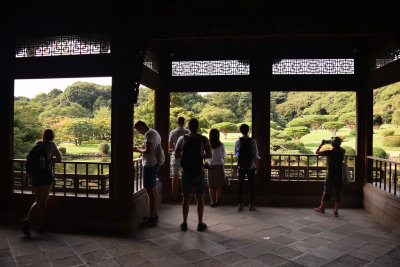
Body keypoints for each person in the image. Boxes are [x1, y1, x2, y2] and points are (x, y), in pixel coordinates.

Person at [22, 128, 62, 236]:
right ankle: (39, 225)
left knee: (37, 201)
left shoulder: (37, 143)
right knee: (43, 203)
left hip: (35, 175)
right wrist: (50, 160)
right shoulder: (52, 144)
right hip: (45, 175)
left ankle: (27, 220)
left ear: (43, 135)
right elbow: (59, 158)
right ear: (53, 136)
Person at [175, 118, 212, 232]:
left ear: (188, 126)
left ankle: (184, 223)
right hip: (199, 171)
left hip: (186, 171)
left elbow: (176, 155)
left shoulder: (182, 138)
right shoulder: (203, 139)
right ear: (198, 127)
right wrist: (201, 154)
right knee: (199, 198)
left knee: (186, 198)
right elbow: (210, 155)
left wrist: (185, 154)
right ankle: (200, 223)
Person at [133, 120, 161, 227]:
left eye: (138, 130)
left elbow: (148, 151)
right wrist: (141, 148)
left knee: (150, 192)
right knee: (153, 189)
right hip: (155, 163)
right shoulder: (154, 132)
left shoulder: (149, 134)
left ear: (141, 127)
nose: (139, 132)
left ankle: (152, 217)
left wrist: (137, 150)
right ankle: (154, 214)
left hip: (149, 164)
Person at [314, 136, 345, 217]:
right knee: (338, 192)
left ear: (332, 143)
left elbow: (316, 153)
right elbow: (339, 148)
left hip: (331, 174)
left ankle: (322, 208)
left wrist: (321, 145)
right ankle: (336, 210)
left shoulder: (329, 152)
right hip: (339, 174)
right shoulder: (342, 151)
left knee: (327, 191)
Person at [235, 123, 260, 211]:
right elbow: (255, 155)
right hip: (251, 166)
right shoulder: (252, 141)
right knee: (251, 185)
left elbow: (236, 154)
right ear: (248, 131)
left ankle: (240, 204)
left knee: (240, 185)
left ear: (240, 131)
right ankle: (251, 204)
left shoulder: (238, 141)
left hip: (241, 165)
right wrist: (257, 166)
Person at [168, 116, 189, 205]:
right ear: (184, 123)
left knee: (175, 177)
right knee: (186, 176)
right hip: (186, 156)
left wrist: (176, 147)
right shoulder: (187, 132)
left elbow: (170, 146)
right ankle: (186, 197)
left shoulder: (173, 132)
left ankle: (174, 198)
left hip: (175, 155)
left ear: (177, 122)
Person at [207, 128, 227, 207]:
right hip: (219, 165)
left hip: (210, 165)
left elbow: (206, 155)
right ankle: (218, 201)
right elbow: (223, 156)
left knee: (211, 185)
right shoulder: (221, 144)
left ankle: (212, 202)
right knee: (219, 185)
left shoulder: (208, 144)